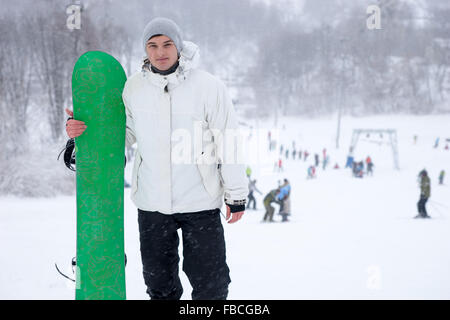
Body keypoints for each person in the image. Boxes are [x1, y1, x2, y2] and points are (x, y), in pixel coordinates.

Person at [65, 17, 248, 300]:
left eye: (166, 44)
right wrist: (83, 136)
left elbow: (229, 140)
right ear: (145, 50)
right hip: (152, 205)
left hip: (200, 202)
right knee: (160, 287)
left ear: (179, 46)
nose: (160, 52)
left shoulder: (208, 87)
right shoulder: (134, 88)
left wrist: (236, 194)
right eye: (152, 46)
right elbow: (122, 136)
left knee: (211, 286)